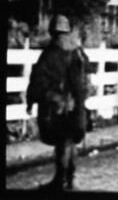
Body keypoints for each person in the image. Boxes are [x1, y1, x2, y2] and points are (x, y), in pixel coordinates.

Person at [26, 15, 91, 191]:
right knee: (69, 143)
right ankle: (68, 180)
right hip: (75, 104)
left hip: (56, 106)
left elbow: (38, 79)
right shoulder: (77, 51)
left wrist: (31, 99)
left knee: (63, 143)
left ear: (53, 31)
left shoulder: (51, 53)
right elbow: (85, 79)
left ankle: (61, 181)